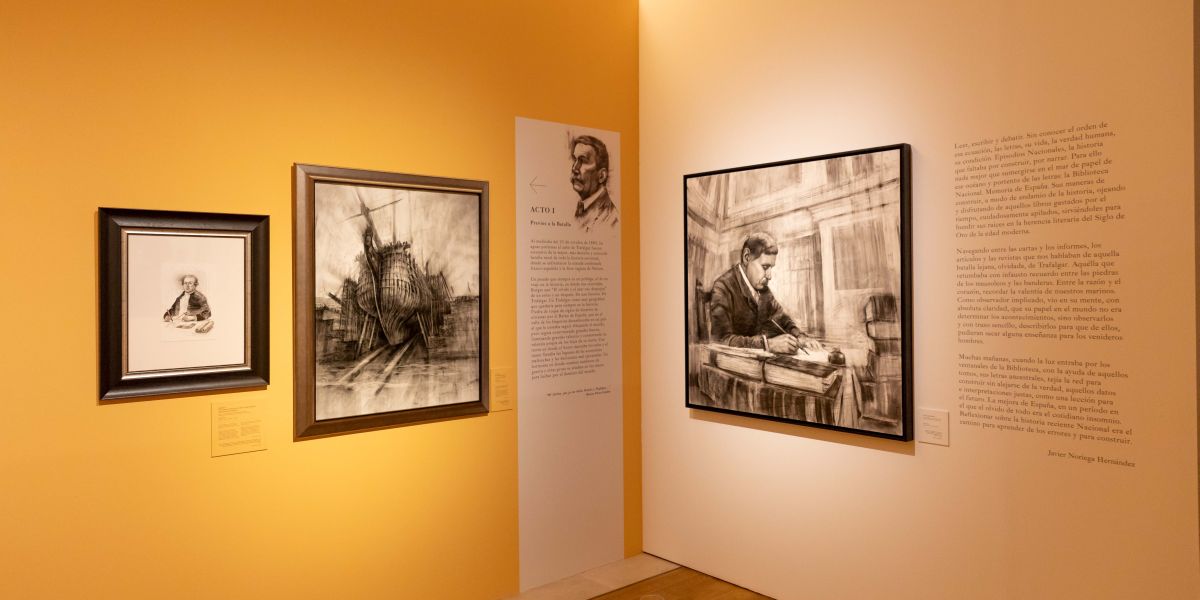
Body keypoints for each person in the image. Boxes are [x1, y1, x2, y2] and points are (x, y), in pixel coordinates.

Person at [709, 232, 814, 353]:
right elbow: (721, 340)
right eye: (765, 267)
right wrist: (767, 344)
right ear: (746, 257)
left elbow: (782, 319)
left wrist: (800, 336)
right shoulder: (722, 287)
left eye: (771, 268)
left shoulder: (763, 290)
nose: (769, 276)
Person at [569, 134, 619, 232]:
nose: (574, 168)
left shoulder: (612, 222)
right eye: (575, 159)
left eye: (583, 161)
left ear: (601, 176)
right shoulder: (582, 207)